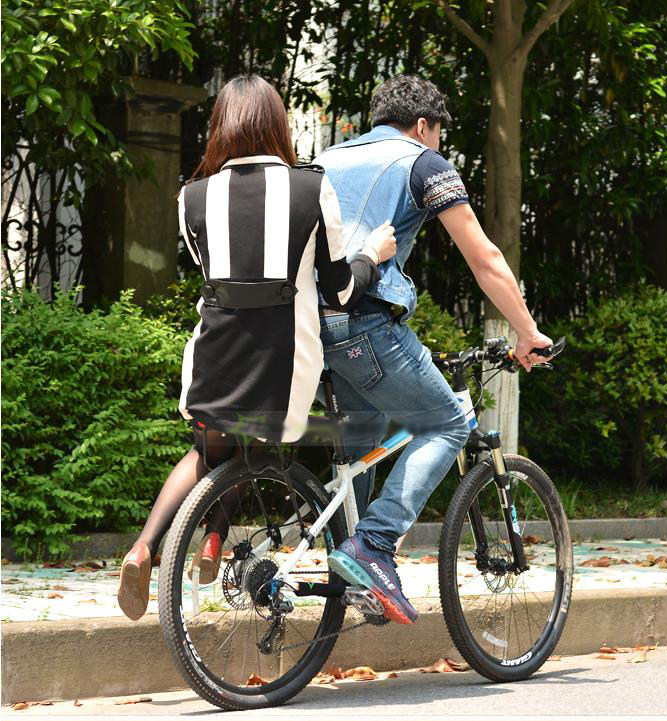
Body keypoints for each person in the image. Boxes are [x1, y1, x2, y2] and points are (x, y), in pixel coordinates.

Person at [116, 74, 397, 621]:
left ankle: (145, 547)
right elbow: (338, 290)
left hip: (214, 352)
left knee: (207, 450)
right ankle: (213, 540)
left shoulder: (190, 196)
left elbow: (217, 274)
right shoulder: (311, 187)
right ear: (276, 124)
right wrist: (373, 254)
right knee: (263, 447)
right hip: (283, 355)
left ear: (221, 125)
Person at [317, 75, 552, 625]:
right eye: (439, 133)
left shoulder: (324, 157)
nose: (440, 144)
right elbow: (484, 257)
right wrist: (527, 331)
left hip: (310, 328)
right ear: (424, 126)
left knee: (360, 452)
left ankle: (348, 572)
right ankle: (373, 547)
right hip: (366, 327)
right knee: (446, 423)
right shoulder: (421, 161)